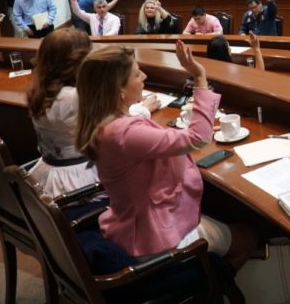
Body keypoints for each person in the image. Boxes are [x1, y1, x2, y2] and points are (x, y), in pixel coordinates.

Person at [75, 41, 259, 267]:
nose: (144, 76)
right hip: (155, 238)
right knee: (248, 237)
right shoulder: (125, 133)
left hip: (131, 224)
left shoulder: (102, 124)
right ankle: (211, 287)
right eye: (136, 74)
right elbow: (198, 139)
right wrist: (199, 77)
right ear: (118, 90)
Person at [26, 29, 98, 196]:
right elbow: (114, 122)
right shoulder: (75, 97)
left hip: (48, 170)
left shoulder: (40, 90)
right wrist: (144, 109)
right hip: (78, 180)